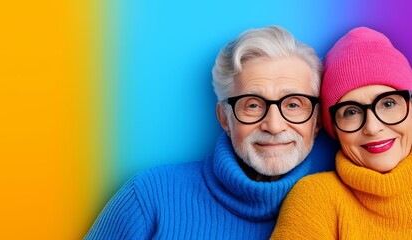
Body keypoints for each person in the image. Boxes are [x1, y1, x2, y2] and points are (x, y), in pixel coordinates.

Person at [85, 26, 338, 239]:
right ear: (225, 118)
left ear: (316, 122)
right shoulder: (149, 196)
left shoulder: (341, 210)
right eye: (252, 105)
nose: (273, 125)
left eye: (293, 105)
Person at [271, 27, 412, 239]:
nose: (373, 127)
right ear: (334, 128)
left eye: (388, 103)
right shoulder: (315, 199)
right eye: (351, 111)